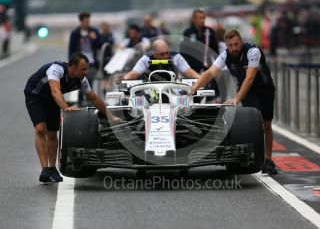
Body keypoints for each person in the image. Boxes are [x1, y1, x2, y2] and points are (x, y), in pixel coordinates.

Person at [24, 52, 121, 183]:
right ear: (72, 68)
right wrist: (65, 107)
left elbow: (93, 98)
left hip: (52, 100)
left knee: (52, 133)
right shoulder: (56, 69)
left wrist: (111, 116)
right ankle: (44, 169)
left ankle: (52, 168)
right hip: (35, 96)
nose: (86, 72)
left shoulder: (82, 80)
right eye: (83, 69)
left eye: (87, 68)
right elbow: (55, 91)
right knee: (41, 129)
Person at [190, 30, 277, 174]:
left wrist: (236, 99)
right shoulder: (225, 55)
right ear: (226, 45)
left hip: (264, 89)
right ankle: (260, 159)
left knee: (267, 124)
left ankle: (269, 159)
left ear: (241, 41)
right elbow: (210, 73)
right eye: (230, 45)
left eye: (236, 44)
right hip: (248, 92)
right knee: (257, 123)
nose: (234, 48)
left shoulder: (253, 51)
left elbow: (249, 79)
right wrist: (193, 89)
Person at [180, 9, 219, 97]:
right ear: (194, 19)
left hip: (207, 68)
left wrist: (217, 67)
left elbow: (215, 51)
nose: (202, 20)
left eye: (203, 18)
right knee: (192, 93)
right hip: (192, 69)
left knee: (209, 93)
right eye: (200, 18)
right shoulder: (188, 33)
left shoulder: (209, 32)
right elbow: (183, 52)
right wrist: (185, 69)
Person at [68, 12, 102, 106]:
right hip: (79, 62)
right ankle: (80, 103)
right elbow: (71, 49)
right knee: (80, 83)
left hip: (91, 62)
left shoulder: (93, 31)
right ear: (81, 22)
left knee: (88, 83)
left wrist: (94, 39)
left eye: (88, 21)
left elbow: (100, 45)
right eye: (85, 21)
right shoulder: (75, 34)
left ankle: (89, 103)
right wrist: (70, 63)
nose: (87, 23)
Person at [123, 39, 200, 80]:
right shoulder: (146, 59)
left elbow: (189, 72)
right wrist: (124, 79)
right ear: (154, 53)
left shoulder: (176, 57)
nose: (166, 56)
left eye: (167, 52)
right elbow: (133, 73)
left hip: (173, 90)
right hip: (151, 91)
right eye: (162, 54)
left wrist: (200, 79)